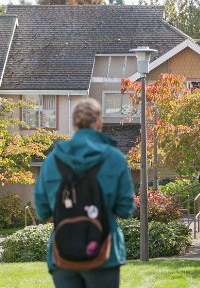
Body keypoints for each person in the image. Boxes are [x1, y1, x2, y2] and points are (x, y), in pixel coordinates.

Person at [34, 98, 135, 288]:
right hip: (105, 252)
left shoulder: (52, 161)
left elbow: (43, 212)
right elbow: (125, 209)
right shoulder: (115, 158)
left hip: (62, 254)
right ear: (99, 123)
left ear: (73, 124)